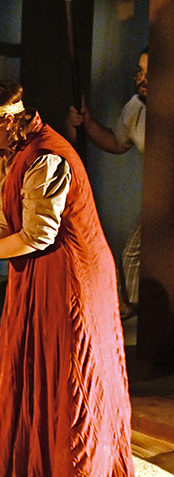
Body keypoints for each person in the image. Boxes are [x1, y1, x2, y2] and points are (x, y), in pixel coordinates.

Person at [0, 81, 134, 477]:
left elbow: (36, 236)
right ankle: (34, 467)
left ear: (7, 120)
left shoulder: (47, 157)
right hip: (36, 270)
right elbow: (6, 226)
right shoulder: (5, 153)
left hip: (71, 272)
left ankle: (70, 475)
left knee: (65, 370)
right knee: (30, 365)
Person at [67, 46, 147, 307]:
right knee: (133, 255)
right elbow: (116, 142)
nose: (142, 79)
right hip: (160, 200)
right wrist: (87, 123)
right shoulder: (135, 108)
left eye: (150, 72)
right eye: (139, 71)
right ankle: (141, 318)